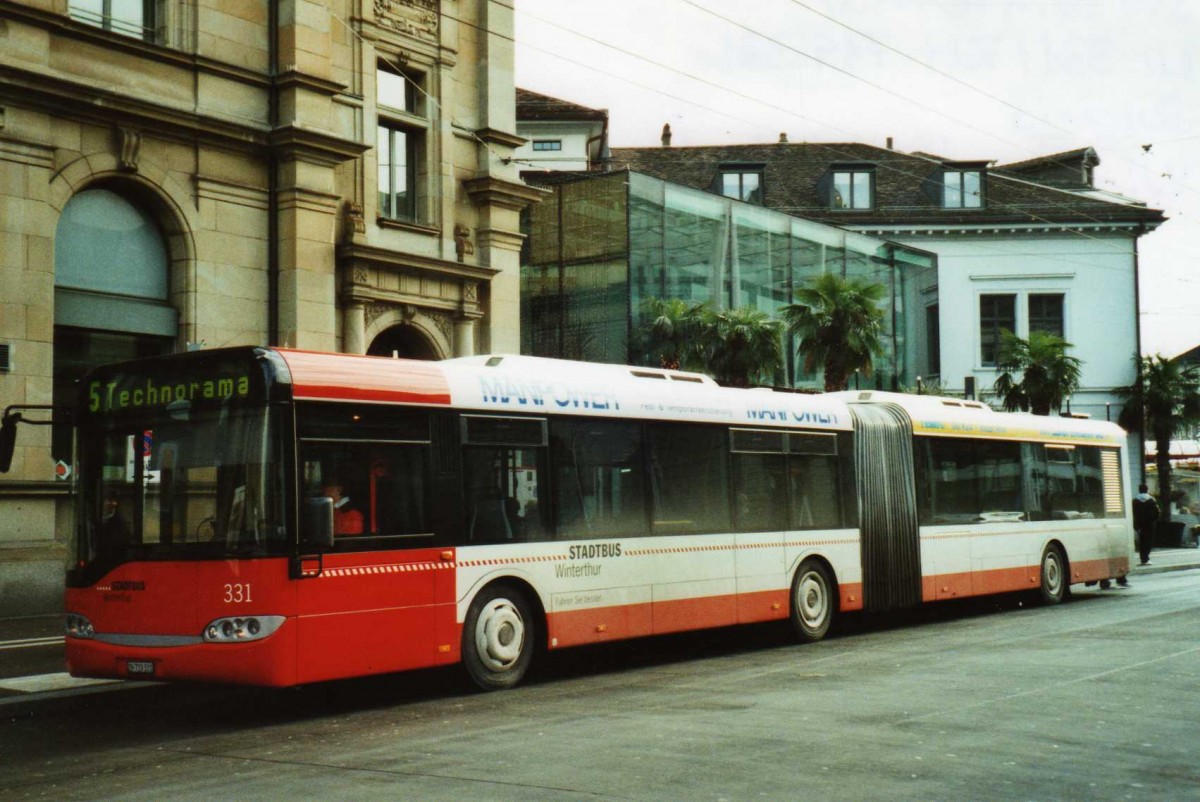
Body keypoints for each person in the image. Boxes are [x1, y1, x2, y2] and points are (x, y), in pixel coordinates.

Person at [1132, 483, 1160, 567]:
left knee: (1142, 541)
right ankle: (1146, 558)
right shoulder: (1151, 500)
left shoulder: (1135, 501)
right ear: (1147, 490)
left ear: (1139, 490)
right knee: (1148, 541)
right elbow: (1157, 512)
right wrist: (1153, 520)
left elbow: (1133, 513)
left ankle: (1142, 558)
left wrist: (1136, 524)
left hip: (1139, 524)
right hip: (1149, 524)